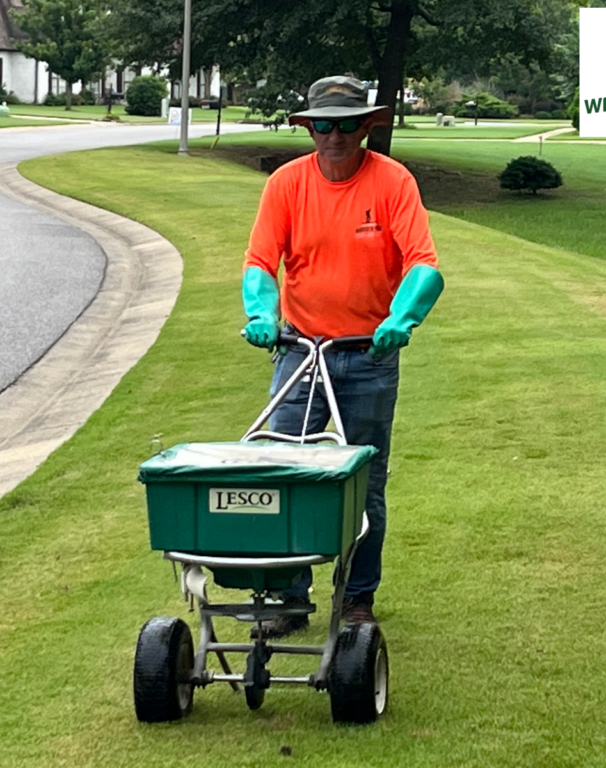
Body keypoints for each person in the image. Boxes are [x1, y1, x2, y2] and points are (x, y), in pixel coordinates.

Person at [241, 75, 444, 638]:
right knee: (285, 470)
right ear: (309, 128)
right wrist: (262, 317)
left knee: (362, 481)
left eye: (346, 124)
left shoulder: (392, 182)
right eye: (323, 125)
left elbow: (423, 264)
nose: (334, 136)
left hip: (368, 357)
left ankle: (357, 598)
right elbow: (260, 262)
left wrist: (400, 320)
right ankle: (287, 596)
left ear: (367, 126)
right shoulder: (287, 184)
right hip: (301, 351)